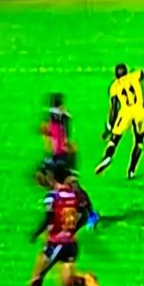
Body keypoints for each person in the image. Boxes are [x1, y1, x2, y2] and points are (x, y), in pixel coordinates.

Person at [19, 167, 100, 286]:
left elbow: (48, 220)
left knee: (37, 277)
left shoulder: (52, 197)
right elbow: (85, 214)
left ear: (51, 178)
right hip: (71, 245)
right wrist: (72, 230)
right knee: (67, 282)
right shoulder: (75, 195)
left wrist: (36, 233)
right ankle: (85, 280)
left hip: (56, 244)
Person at [37, 93, 99, 229]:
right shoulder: (59, 117)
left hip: (64, 156)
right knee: (64, 185)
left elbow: (54, 134)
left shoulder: (59, 117)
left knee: (72, 185)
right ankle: (73, 211)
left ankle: (90, 214)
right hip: (58, 156)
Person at [95, 55, 144, 179]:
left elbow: (113, 108)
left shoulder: (114, 86)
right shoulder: (135, 76)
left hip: (125, 113)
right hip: (139, 111)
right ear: (127, 71)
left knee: (114, 140)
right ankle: (131, 170)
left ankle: (108, 157)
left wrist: (110, 127)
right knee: (139, 141)